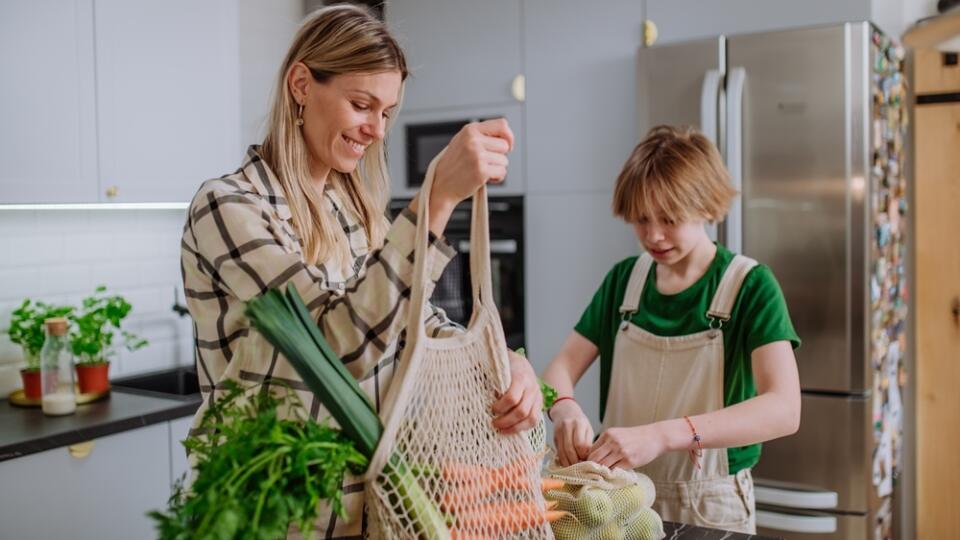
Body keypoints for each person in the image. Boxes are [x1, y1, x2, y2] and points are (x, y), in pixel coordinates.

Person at [180, 5, 542, 537]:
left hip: (358, 508)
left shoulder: (356, 211)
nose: (376, 129)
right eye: (361, 105)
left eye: (387, 112)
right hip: (266, 512)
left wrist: (505, 363)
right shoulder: (228, 208)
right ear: (301, 84)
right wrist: (436, 197)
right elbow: (331, 347)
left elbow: (410, 324)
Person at [541, 125, 801, 533]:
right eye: (641, 219)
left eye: (670, 218)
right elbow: (559, 370)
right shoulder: (624, 281)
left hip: (709, 502)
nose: (654, 235)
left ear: (707, 207)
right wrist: (564, 409)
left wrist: (664, 435)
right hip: (617, 497)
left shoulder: (750, 286)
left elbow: (784, 409)